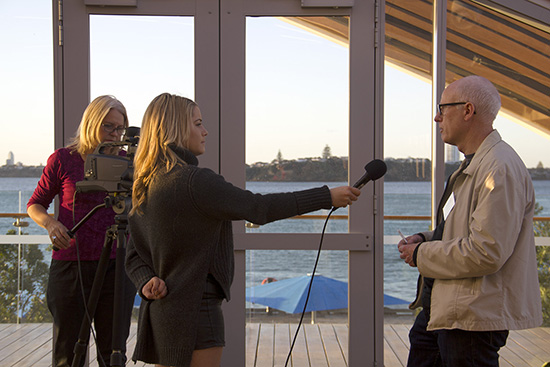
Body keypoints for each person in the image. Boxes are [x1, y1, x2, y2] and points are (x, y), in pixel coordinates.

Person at [125, 93, 361, 367]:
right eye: (198, 123)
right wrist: (325, 197)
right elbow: (258, 208)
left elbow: (134, 253)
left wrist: (145, 281)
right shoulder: (194, 181)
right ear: (176, 129)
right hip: (197, 311)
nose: (205, 131)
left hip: (163, 312)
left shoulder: (145, 183)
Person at [397, 75, 542, 366]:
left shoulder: (498, 169)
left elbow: (486, 251)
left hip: (472, 318)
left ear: (467, 110)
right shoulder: (473, 166)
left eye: (442, 107)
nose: (436, 117)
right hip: (446, 309)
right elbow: (459, 227)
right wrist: (426, 239)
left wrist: (422, 254)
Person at [27, 95, 137, 367]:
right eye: (108, 127)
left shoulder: (130, 163)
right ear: (91, 123)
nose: (115, 134)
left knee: (113, 353)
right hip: (70, 267)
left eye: (120, 129)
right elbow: (35, 204)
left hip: (116, 266)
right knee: (68, 353)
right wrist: (51, 224)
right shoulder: (64, 159)